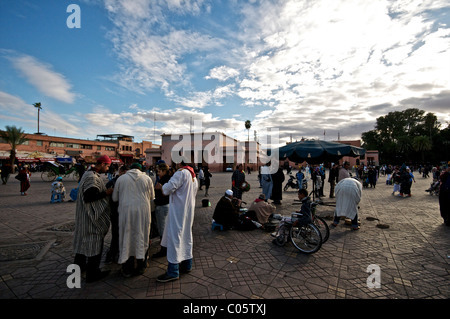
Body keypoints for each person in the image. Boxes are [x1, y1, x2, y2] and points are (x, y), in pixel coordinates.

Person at [155, 162, 198, 282]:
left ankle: (173, 271)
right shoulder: (193, 176)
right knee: (186, 237)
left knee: (175, 239)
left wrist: (160, 187)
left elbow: (167, 189)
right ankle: (186, 265)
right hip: (187, 212)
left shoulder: (180, 173)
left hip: (178, 212)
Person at [73, 155, 112, 283]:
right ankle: (92, 273)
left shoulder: (88, 173)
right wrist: (106, 193)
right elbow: (90, 196)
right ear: (101, 164)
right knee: (94, 244)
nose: (107, 169)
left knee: (82, 244)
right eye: (107, 166)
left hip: (83, 217)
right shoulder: (91, 177)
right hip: (90, 218)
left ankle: (80, 267)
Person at [112, 162, 155, 277]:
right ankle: (141, 266)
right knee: (143, 236)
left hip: (126, 212)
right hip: (143, 212)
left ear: (130, 169)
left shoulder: (121, 179)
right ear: (141, 169)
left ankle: (127, 268)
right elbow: (152, 197)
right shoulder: (147, 179)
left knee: (127, 237)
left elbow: (115, 198)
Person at [104, 164, 129, 264]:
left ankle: (116, 253)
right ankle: (112, 254)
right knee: (116, 233)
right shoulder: (114, 182)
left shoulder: (123, 181)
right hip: (116, 211)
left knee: (120, 233)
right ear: (122, 172)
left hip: (121, 211)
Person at [152, 163, 172, 259]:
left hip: (162, 206)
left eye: (159, 171)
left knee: (162, 229)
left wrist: (160, 188)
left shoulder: (165, 180)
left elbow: (166, 194)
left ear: (164, 171)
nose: (158, 173)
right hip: (166, 206)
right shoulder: (168, 179)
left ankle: (164, 249)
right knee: (164, 228)